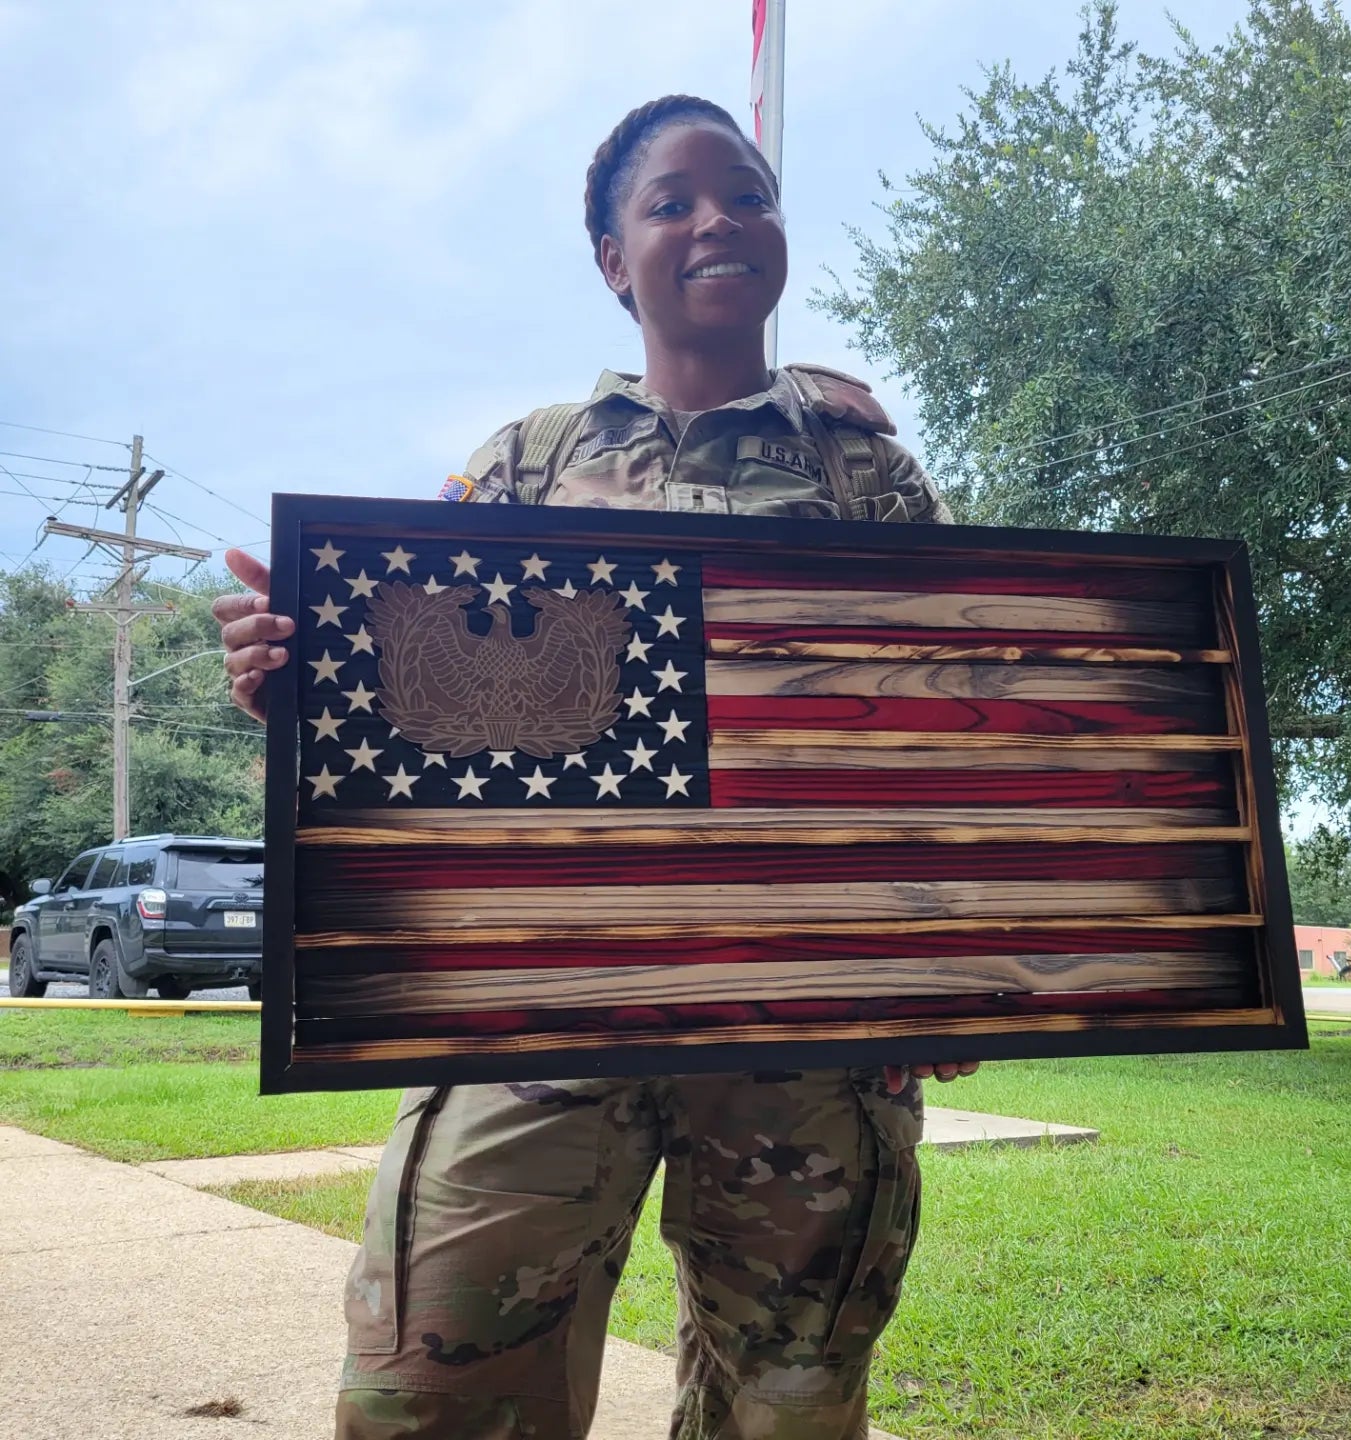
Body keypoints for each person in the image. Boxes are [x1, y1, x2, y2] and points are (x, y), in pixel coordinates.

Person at [215, 94, 977, 1440]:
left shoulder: (868, 472)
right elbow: (414, 721)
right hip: (538, 999)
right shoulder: (528, 464)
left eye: (745, 193)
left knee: (787, 1407)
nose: (717, 221)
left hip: (806, 1024)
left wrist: (951, 967)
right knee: (428, 1391)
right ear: (615, 260)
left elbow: (953, 725)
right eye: (671, 203)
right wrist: (292, 686)